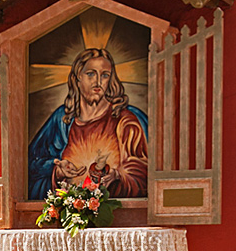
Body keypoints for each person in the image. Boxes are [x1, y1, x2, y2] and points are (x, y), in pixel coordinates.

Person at [28, 47, 148, 201]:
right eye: (90, 74)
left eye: (105, 75)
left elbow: (144, 171)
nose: (98, 82)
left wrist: (118, 176)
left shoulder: (124, 119)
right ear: (78, 77)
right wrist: (57, 170)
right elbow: (31, 165)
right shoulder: (63, 120)